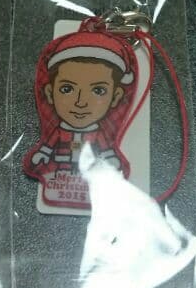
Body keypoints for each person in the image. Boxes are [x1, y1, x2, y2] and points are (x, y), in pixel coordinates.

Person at [24, 31, 137, 179]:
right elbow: (48, 145)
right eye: (67, 89)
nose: (80, 102)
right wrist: (43, 153)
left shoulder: (98, 134)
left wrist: (110, 158)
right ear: (50, 93)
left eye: (98, 90)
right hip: (62, 171)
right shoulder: (58, 132)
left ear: (115, 97)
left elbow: (106, 149)